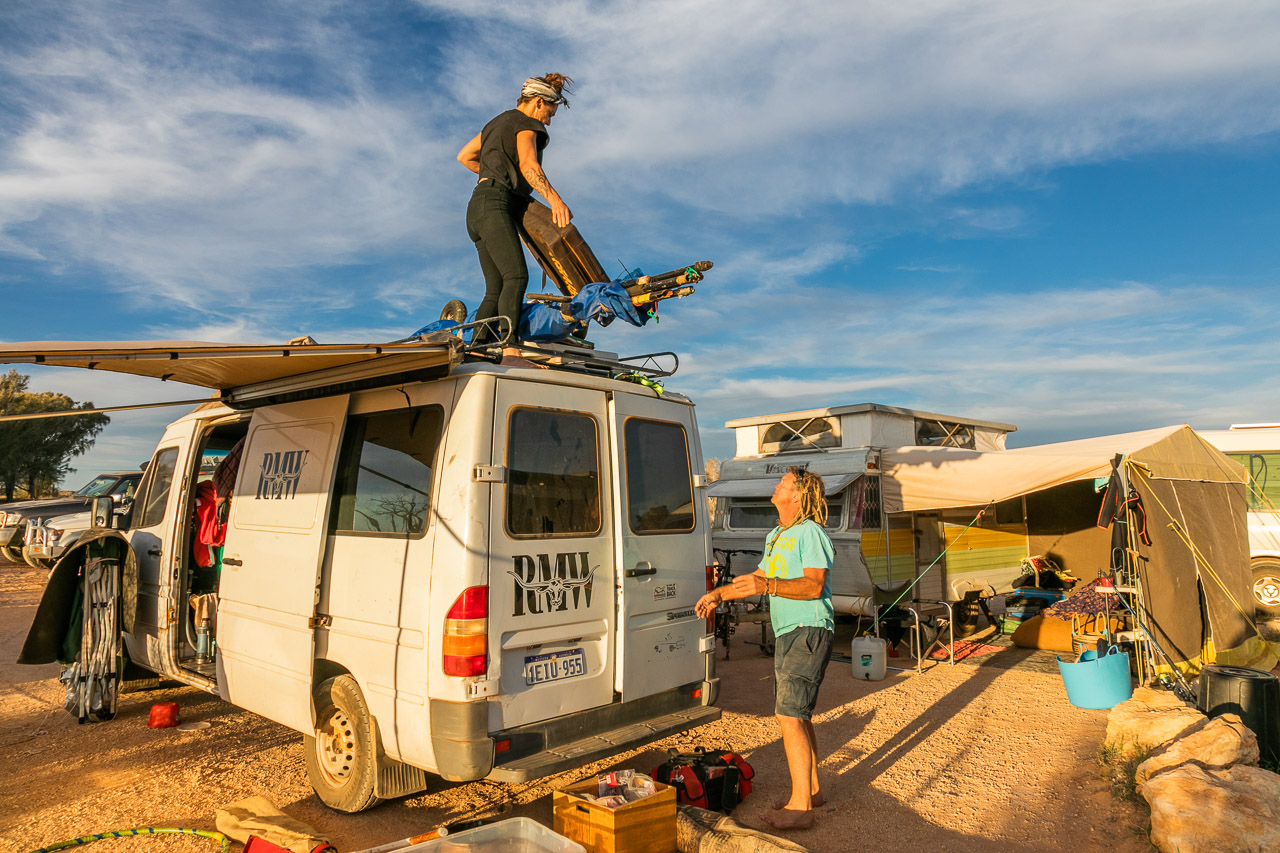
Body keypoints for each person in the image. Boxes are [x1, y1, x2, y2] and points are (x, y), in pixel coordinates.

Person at [696, 467, 835, 830]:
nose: (776, 486)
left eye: (784, 482)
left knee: (788, 714)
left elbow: (814, 586)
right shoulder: (776, 535)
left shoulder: (811, 532)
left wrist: (770, 585)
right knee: (798, 713)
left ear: (798, 495)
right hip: (788, 630)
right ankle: (813, 791)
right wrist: (717, 595)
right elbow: (756, 582)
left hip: (810, 627)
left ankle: (801, 806)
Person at [456, 73, 574, 364]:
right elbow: (528, 164)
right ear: (537, 103)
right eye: (549, 113)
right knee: (517, 276)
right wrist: (555, 200)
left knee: (495, 289)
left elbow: (465, 156)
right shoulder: (526, 124)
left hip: (477, 207)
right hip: (495, 205)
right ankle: (510, 349)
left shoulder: (497, 122)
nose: (548, 121)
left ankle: (475, 349)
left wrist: (498, 174)